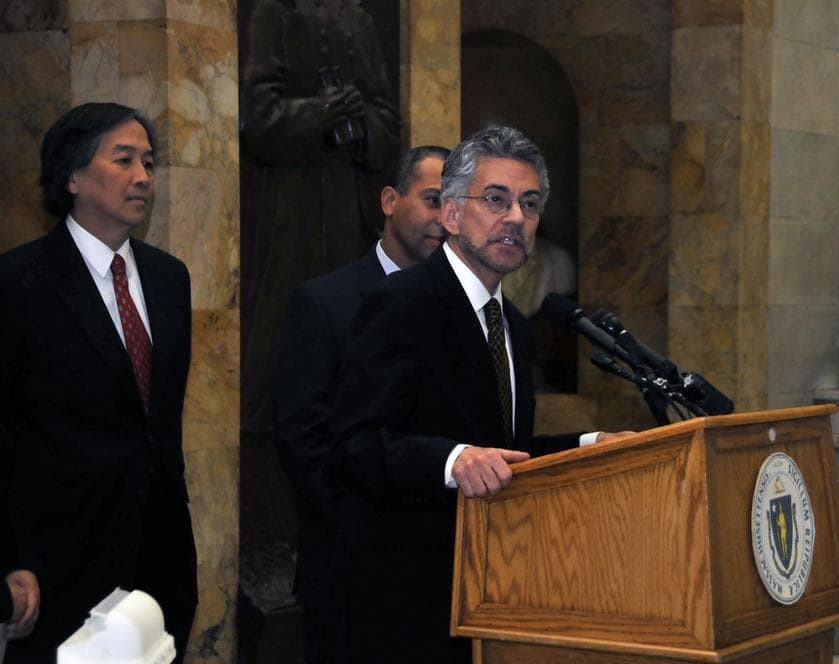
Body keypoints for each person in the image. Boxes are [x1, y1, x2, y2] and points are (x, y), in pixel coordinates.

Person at [327, 126, 629, 662]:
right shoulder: (399, 304)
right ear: (450, 215)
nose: (515, 217)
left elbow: (500, 452)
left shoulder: (513, 323)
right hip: (403, 603)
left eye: (529, 204)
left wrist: (589, 445)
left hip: (490, 593)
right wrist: (450, 460)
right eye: (496, 199)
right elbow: (355, 445)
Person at [0, 103, 197, 663]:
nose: (143, 177)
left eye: (150, 163)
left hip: (159, 561)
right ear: (72, 176)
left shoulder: (168, 278)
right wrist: (8, 557)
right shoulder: (18, 283)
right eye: (124, 160)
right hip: (56, 565)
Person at [273, 144, 450, 663]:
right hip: (350, 568)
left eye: (455, 203)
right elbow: (302, 437)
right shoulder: (325, 302)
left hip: (445, 576)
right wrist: (373, 527)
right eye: (433, 199)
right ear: (390, 201)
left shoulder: (463, 306)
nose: (445, 217)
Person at [240, 0, 401, 435]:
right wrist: (321, 112)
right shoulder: (275, 11)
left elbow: (388, 124)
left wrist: (361, 119)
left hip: (351, 213)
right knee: (283, 345)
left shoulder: (360, 20)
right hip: (289, 214)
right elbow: (257, 118)